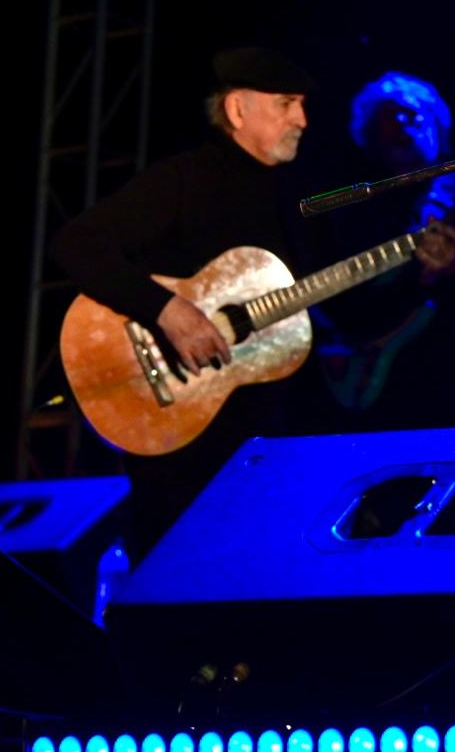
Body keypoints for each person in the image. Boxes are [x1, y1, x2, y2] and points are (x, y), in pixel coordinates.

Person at [50, 47, 324, 559]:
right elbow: (77, 244)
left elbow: (340, 319)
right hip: (177, 435)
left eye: (302, 105)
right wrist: (168, 311)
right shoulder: (183, 180)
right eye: (286, 103)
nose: (302, 120)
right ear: (237, 109)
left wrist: (418, 272)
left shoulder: (290, 199)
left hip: (260, 443)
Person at [313, 70, 455, 431]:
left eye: (413, 114)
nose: (403, 123)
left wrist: (453, 265)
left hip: (442, 357)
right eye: (391, 118)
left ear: (435, 124)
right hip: (369, 361)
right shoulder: (359, 200)